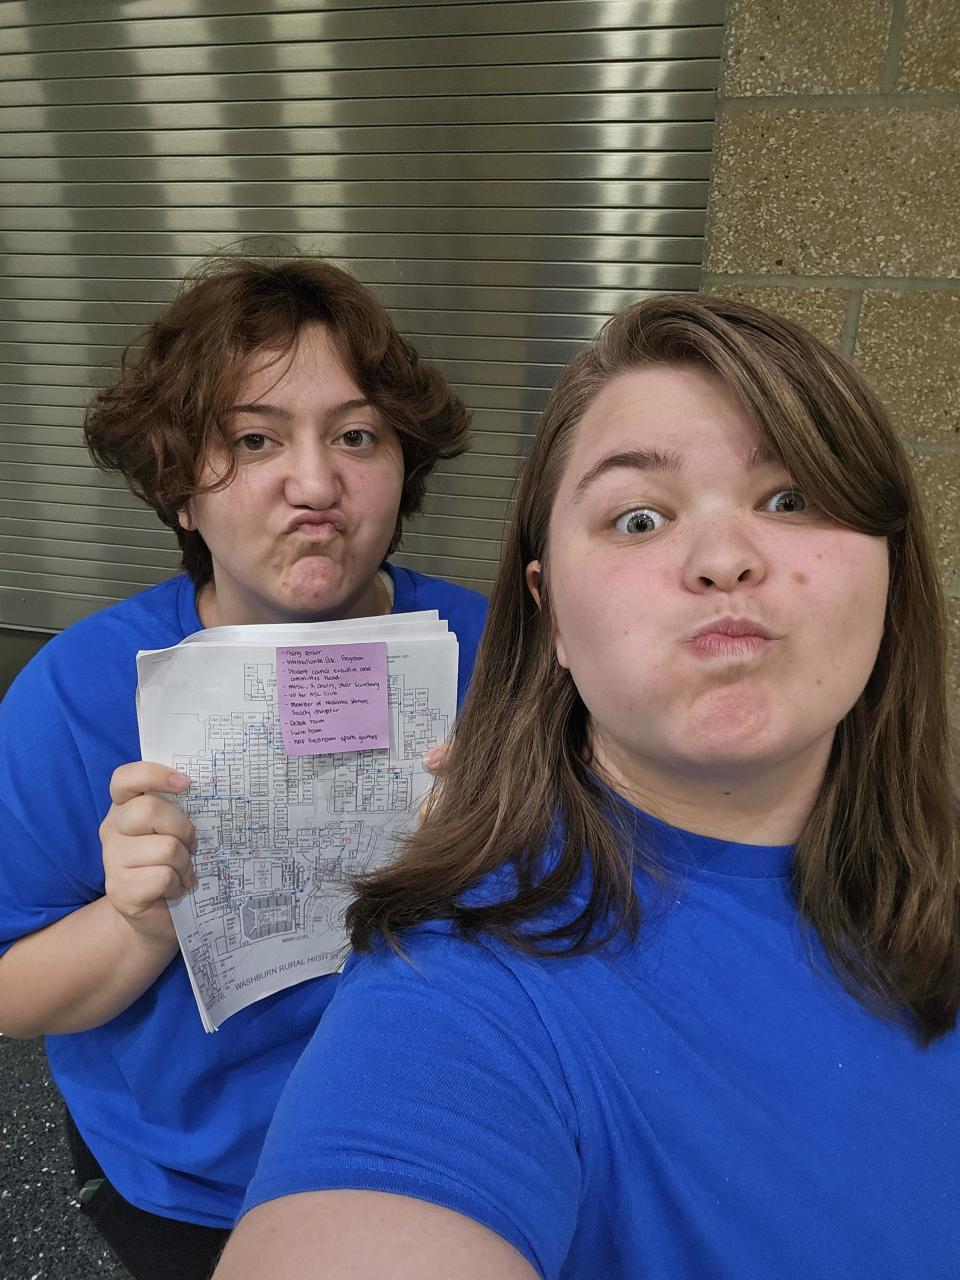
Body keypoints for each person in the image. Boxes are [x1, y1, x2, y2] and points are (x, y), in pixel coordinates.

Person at [215, 294, 960, 1280]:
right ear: (551, 613)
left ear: (890, 566)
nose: (726, 559)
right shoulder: (461, 992)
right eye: (638, 517)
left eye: (790, 499)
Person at [0, 256, 488, 1279]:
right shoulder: (76, 694)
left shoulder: (484, 652)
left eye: (357, 435)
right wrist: (137, 921)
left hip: (440, 1136)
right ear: (180, 490)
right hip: (196, 1174)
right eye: (254, 439)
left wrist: (497, 850)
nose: (315, 485)